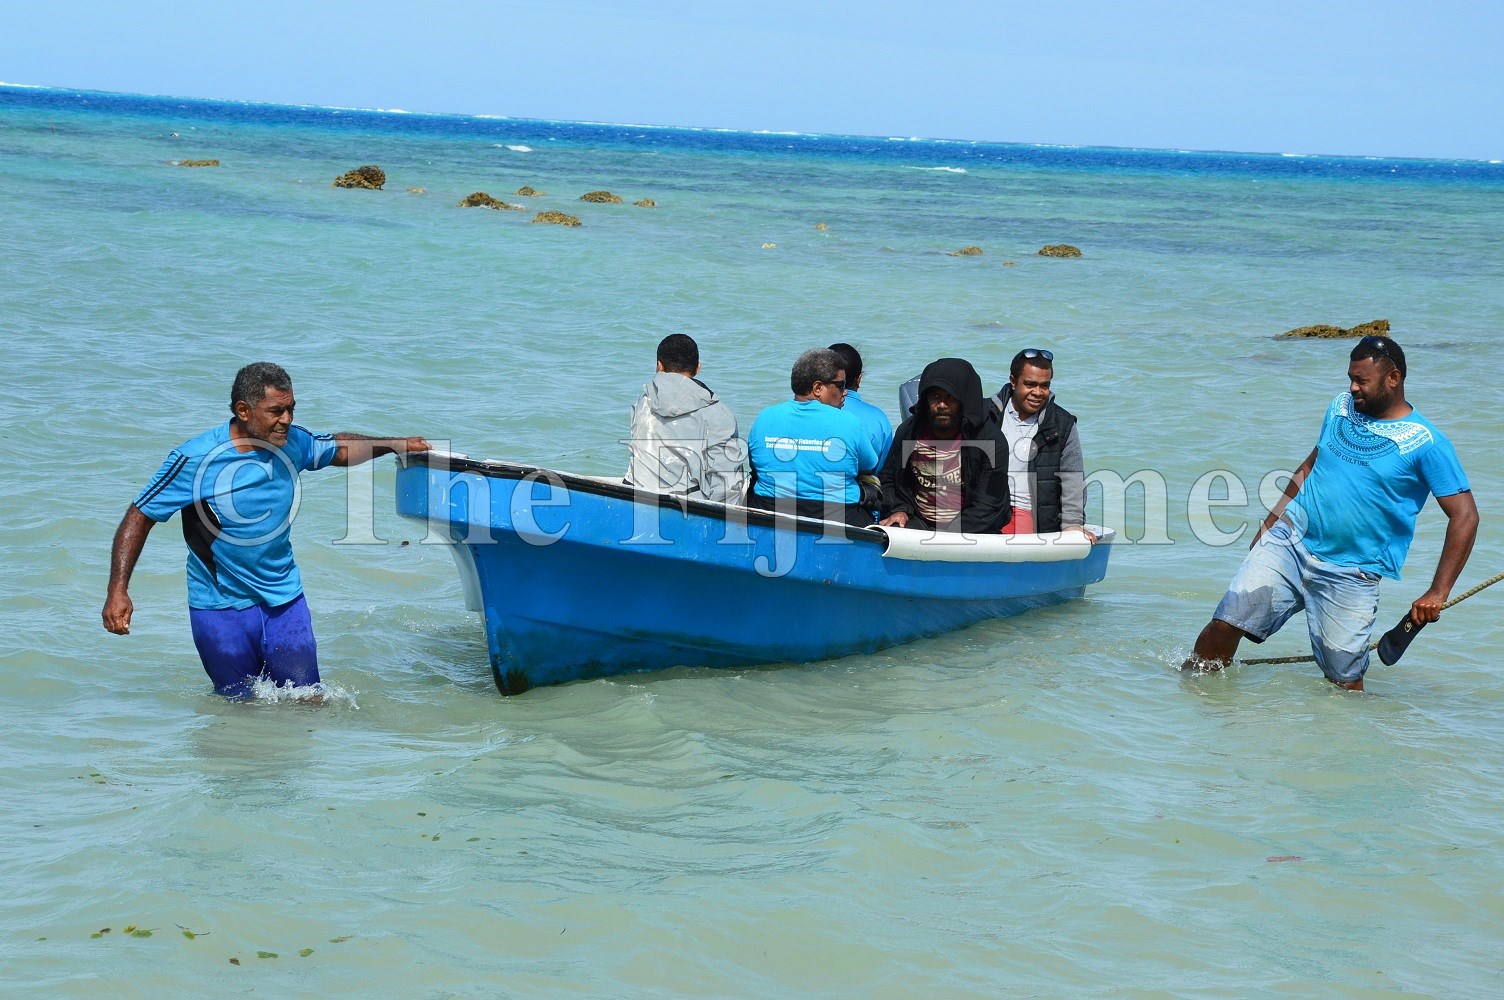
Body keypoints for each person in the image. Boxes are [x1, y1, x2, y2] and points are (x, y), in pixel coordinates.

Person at [102, 362, 431, 699]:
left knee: (308, 699)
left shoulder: (292, 443)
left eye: (290, 409)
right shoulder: (195, 459)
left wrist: (395, 443)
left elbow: (338, 448)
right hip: (219, 607)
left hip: (285, 600)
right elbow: (140, 514)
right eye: (276, 410)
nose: (286, 419)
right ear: (244, 410)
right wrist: (118, 590)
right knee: (238, 708)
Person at [1186, 336, 1478, 691]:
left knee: (1344, 683)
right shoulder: (1340, 407)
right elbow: (1311, 464)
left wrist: (1438, 591)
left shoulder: (1427, 443)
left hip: (1352, 574)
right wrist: (1271, 520)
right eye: (1350, 379)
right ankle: (1191, 703)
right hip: (1289, 543)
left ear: (1393, 378)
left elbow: (1465, 516)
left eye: (1361, 381)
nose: (1353, 388)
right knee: (1225, 623)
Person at [745, 348, 879, 528]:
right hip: (838, 517)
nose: (845, 392)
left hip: (770, 512)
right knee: (872, 485)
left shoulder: (764, 417)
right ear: (817, 388)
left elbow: (755, 463)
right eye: (840, 385)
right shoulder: (850, 422)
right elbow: (869, 464)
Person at [878, 358, 1011, 533]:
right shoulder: (909, 432)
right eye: (935, 397)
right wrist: (900, 509)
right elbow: (888, 478)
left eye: (951, 397)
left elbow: (988, 504)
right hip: (920, 520)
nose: (942, 405)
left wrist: (945, 536)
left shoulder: (991, 440)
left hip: (973, 526)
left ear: (964, 400)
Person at [988, 348, 1095, 541]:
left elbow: (1073, 480)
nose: (1037, 393)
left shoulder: (1062, 424)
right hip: (984, 509)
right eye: (1030, 384)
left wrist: (1073, 525)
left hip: (1029, 513)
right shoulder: (987, 414)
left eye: (1044, 386)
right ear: (1013, 381)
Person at [624, 333, 746, 502]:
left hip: (631, 496)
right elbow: (727, 484)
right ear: (698, 368)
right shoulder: (718, 413)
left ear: (659, 365)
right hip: (683, 509)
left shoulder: (643, 402)